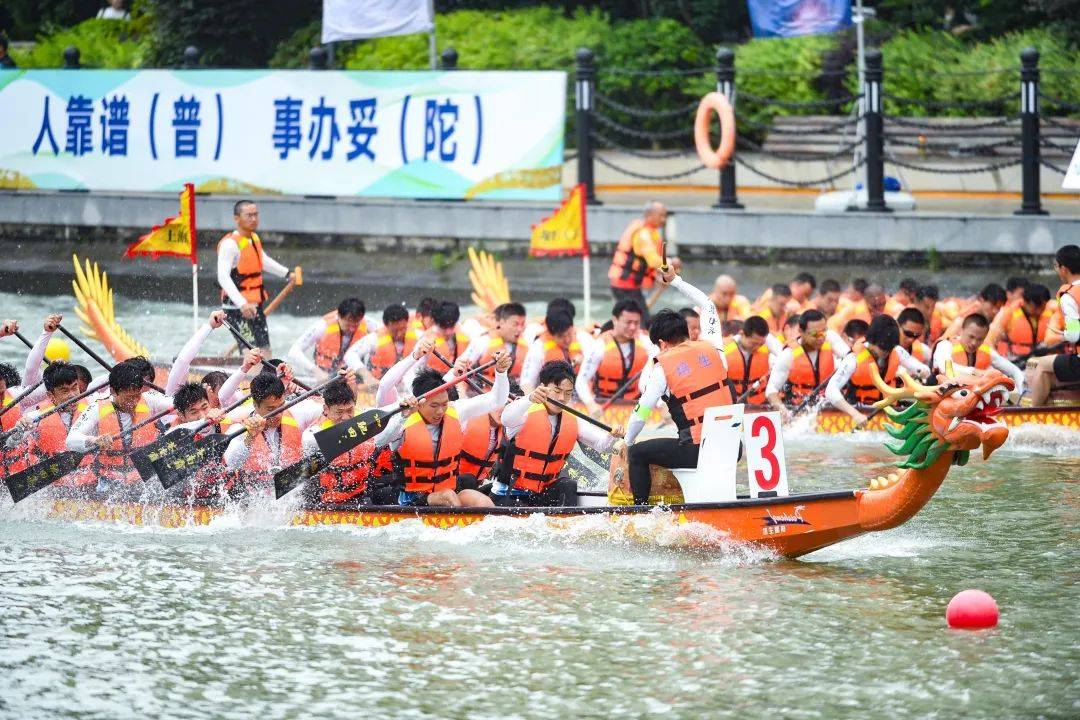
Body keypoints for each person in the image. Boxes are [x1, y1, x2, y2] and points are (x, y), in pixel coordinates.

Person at [621, 269, 732, 505]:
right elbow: (708, 304)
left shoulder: (663, 367)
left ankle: (640, 515)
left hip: (697, 451)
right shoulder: (714, 347)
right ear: (686, 332)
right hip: (732, 446)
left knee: (637, 454)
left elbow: (642, 412)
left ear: (662, 343)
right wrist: (676, 281)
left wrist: (627, 441)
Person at [373, 350, 511, 508]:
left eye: (444, 404)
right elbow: (378, 440)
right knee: (449, 498)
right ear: (420, 403)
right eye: (434, 405)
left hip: (447, 489)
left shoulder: (455, 410)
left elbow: (497, 400)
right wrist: (403, 416)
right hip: (412, 497)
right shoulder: (403, 419)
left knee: (483, 502)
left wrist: (501, 372)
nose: (440, 411)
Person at [494, 361, 621, 507]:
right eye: (557, 391)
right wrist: (529, 399)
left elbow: (601, 445)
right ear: (543, 388)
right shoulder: (524, 411)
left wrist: (613, 435)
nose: (562, 398)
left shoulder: (573, 419)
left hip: (541, 494)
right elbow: (506, 419)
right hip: (510, 493)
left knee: (568, 485)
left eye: (568, 393)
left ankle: (566, 522)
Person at [66, 362, 162, 494]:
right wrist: (94, 440)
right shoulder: (96, 408)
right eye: (129, 397)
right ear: (113, 391)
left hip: (144, 480)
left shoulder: (150, 400)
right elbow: (71, 440)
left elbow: (179, 404)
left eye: (137, 396)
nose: (134, 402)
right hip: (108, 482)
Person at [222, 373, 324, 493]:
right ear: (255, 405)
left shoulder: (298, 412)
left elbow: (331, 406)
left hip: (292, 493)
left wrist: (350, 384)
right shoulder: (239, 427)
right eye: (270, 409)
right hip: (255, 497)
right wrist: (250, 437)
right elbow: (232, 464)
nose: (277, 414)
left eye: (280, 406)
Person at [216, 199, 293, 354]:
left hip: (255, 305)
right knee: (251, 354)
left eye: (256, 215)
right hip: (236, 308)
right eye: (249, 215)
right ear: (237, 218)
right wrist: (243, 304)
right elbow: (223, 277)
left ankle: (265, 377)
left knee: (265, 351)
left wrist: (287, 274)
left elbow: (263, 261)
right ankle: (249, 374)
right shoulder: (230, 244)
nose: (253, 219)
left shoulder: (254, 238)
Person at [825, 315, 930, 427]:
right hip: (860, 413)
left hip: (890, 411)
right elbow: (830, 390)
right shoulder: (853, 358)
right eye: (883, 348)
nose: (886, 352)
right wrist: (855, 414)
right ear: (871, 341)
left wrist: (922, 372)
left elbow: (925, 369)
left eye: (889, 348)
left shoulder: (897, 351)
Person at [301, 379, 380, 506]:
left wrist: (403, 413)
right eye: (339, 412)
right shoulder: (313, 434)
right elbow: (308, 443)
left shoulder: (364, 420)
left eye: (349, 411)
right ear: (326, 409)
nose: (345, 417)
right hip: (326, 503)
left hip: (360, 497)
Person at [4, 362, 85, 476]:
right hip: (54, 485)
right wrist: (19, 429)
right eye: (65, 391)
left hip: (87, 480)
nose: (72, 395)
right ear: (51, 395)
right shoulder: (36, 417)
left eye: (74, 387)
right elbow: (11, 443)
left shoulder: (92, 408)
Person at [766, 309, 849, 414]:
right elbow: (771, 390)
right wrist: (784, 413)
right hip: (797, 411)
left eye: (823, 332)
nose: (820, 338)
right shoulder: (788, 355)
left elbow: (851, 358)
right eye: (814, 334)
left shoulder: (831, 340)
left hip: (826, 410)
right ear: (801, 332)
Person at [576, 300, 653, 414]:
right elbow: (581, 381)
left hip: (637, 407)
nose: (632, 327)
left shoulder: (646, 343)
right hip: (603, 406)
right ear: (615, 320)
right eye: (628, 322)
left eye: (636, 323)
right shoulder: (599, 345)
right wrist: (591, 404)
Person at [1028, 245, 1080, 405]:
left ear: (1063, 269)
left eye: (1056, 267)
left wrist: (1060, 334)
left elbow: (1074, 335)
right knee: (1050, 374)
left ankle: (1032, 417)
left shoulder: (1069, 295)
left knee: (1041, 365)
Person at [931, 313, 1025, 398]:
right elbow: (945, 368)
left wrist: (1020, 391)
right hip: (943, 398)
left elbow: (1014, 370)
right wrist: (975, 372)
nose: (974, 343)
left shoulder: (986, 351)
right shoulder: (945, 345)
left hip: (973, 399)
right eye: (971, 337)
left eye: (980, 339)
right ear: (961, 331)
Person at [608, 201, 673, 322]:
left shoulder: (651, 232)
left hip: (631, 285)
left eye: (665, 216)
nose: (664, 220)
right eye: (661, 215)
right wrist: (670, 262)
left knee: (638, 316)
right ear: (650, 215)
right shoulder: (643, 234)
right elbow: (653, 261)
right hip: (625, 285)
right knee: (638, 320)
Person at [288, 298, 375, 378]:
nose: (352, 329)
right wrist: (315, 371)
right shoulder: (322, 326)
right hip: (325, 375)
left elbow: (386, 335)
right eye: (348, 325)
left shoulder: (367, 323)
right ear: (339, 316)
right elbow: (294, 351)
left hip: (354, 376)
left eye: (356, 325)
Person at [452, 302, 529, 384]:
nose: (520, 329)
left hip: (511, 392)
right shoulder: (482, 342)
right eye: (515, 324)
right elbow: (458, 372)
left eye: (522, 324)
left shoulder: (527, 344)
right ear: (502, 323)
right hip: (481, 391)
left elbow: (527, 380)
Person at [344, 304, 417, 381]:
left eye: (402, 329)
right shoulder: (374, 339)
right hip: (377, 385)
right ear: (386, 325)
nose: (399, 334)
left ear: (407, 323)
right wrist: (367, 377)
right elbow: (350, 355)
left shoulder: (418, 336)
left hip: (405, 387)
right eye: (395, 331)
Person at [164, 311, 227, 398]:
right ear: (206, 391)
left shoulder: (228, 404)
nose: (219, 402)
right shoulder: (176, 400)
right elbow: (182, 361)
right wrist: (210, 326)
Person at [520, 310, 584, 392]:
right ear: (551, 334)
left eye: (569, 334)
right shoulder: (537, 349)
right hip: (548, 398)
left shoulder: (581, 340)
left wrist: (584, 362)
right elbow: (526, 384)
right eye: (561, 336)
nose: (567, 340)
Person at [723, 316, 773, 406]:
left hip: (758, 405)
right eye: (753, 343)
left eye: (761, 344)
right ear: (742, 334)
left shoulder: (769, 348)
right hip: (732, 404)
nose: (757, 347)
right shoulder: (724, 349)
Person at [997, 283, 1054, 360]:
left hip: (1041, 358)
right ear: (1026, 302)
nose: (1040, 311)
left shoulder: (1053, 310)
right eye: (1037, 307)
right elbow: (992, 339)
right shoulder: (1008, 313)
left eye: (1043, 307)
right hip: (1015, 359)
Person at [425, 301, 471, 375]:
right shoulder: (424, 341)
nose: (448, 332)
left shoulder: (465, 336)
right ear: (434, 323)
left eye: (451, 326)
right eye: (443, 327)